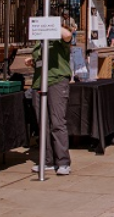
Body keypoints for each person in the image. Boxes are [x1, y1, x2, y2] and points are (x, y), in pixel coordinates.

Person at [26, 22, 73, 175]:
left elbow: (67, 36)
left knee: (57, 122)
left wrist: (50, 25)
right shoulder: (39, 43)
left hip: (57, 81)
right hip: (39, 83)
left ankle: (63, 161)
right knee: (42, 123)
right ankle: (47, 160)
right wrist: (32, 61)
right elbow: (40, 60)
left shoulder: (58, 39)